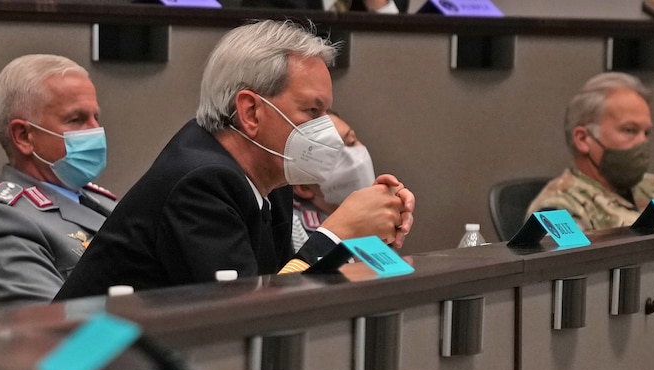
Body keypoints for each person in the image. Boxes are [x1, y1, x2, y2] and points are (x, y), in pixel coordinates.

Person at [57, 21, 415, 300]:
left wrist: (363, 235)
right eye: (312, 111)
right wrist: (338, 233)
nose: (327, 130)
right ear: (250, 112)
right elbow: (250, 315)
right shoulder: (201, 181)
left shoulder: (268, 177)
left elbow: (282, 285)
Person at [0, 55, 119, 307]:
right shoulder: (3, 219)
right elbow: (50, 324)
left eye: (96, 118)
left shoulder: (98, 200)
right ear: (24, 136)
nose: (95, 130)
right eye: (76, 119)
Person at [527, 72, 654, 233]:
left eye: (646, 133)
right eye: (629, 130)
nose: (642, 142)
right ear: (583, 139)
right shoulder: (558, 208)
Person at [289, 110, 376, 251]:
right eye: (333, 157)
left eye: (351, 142)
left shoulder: (376, 216)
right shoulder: (293, 232)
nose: (354, 161)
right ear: (303, 187)